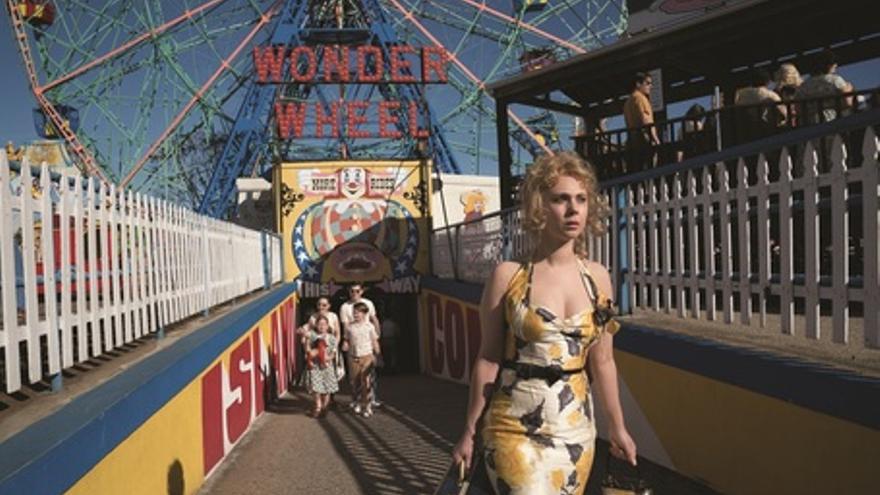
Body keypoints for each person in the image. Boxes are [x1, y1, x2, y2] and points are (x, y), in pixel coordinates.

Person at [451, 151, 637, 494]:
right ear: (539, 205)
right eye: (560, 199)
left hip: (575, 428)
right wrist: (470, 430)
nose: (573, 209)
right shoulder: (508, 276)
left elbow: (604, 360)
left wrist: (618, 426)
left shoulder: (598, 278)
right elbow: (489, 357)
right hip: (512, 426)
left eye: (581, 199)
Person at [339, 283, 382, 408]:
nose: (354, 293)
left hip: (367, 341)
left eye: (357, 291)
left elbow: (374, 318)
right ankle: (355, 399)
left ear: (362, 291)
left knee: (369, 375)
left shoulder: (368, 303)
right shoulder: (345, 307)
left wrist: (377, 336)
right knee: (354, 377)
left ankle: (371, 399)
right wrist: (346, 340)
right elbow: (345, 325)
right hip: (353, 343)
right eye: (352, 291)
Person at [796, 49, 854, 124]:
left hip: (810, 123)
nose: (836, 65)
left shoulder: (804, 85)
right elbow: (847, 103)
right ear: (828, 65)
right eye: (833, 63)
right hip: (833, 121)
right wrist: (849, 89)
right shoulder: (835, 80)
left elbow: (798, 108)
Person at [623, 72, 660, 173]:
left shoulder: (627, 102)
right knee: (650, 170)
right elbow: (645, 119)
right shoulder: (640, 98)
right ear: (638, 84)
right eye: (647, 83)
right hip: (644, 139)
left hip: (632, 140)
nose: (651, 86)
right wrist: (655, 139)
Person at [735, 69, 787, 140]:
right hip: (768, 130)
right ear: (767, 82)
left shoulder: (742, 95)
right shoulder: (770, 95)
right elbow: (783, 113)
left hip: (747, 131)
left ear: (751, 81)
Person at [304, 315, 339, 417]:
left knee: (327, 387)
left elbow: (334, 352)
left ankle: (325, 406)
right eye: (319, 324)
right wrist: (307, 341)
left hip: (327, 366)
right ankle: (318, 406)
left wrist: (328, 358)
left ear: (328, 326)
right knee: (316, 387)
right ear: (316, 325)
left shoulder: (331, 338)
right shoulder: (312, 336)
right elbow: (307, 350)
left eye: (324, 324)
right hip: (315, 365)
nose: (322, 326)